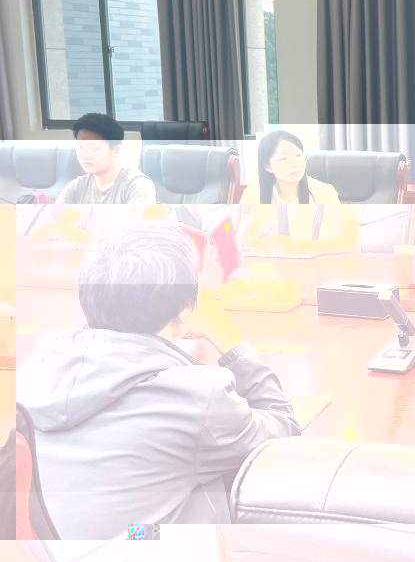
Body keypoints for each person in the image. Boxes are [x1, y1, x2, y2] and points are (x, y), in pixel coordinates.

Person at [17, 222, 300, 539]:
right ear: (184, 313)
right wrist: (227, 335)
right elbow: (284, 433)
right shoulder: (195, 397)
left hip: (54, 556)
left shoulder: (39, 367)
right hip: (139, 550)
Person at [240, 131, 359, 254]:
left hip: (321, 263)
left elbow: (352, 242)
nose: (294, 164)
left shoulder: (324, 192)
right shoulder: (254, 193)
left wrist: (297, 247)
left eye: (298, 155)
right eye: (283, 158)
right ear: (267, 166)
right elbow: (243, 239)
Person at [55, 113, 156, 205]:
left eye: (93, 147)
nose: (85, 155)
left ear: (115, 151)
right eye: (80, 147)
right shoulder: (77, 186)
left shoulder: (137, 185)